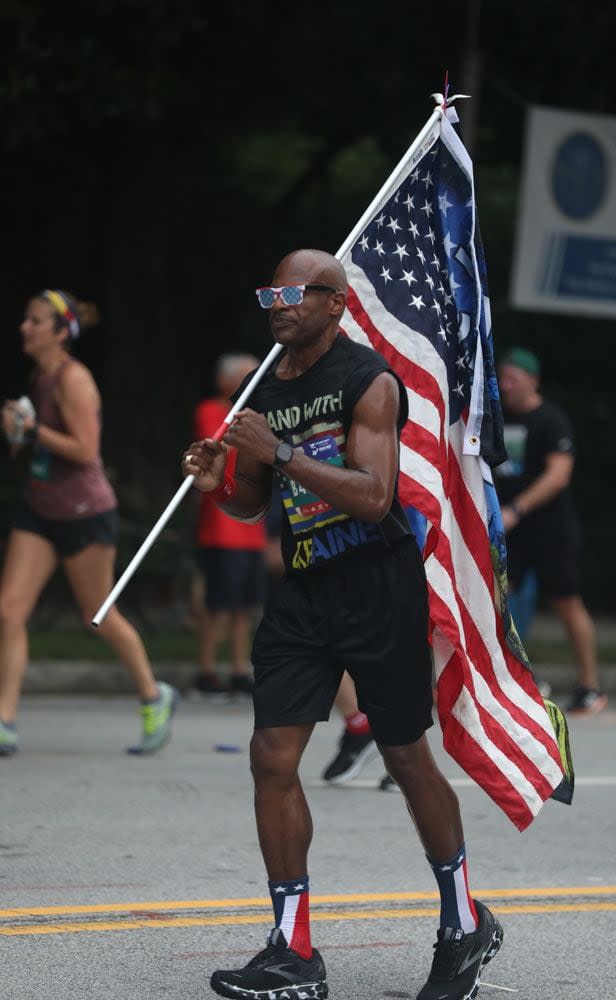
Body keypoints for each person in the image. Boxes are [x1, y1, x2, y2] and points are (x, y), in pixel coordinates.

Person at [182, 249, 503, 1000]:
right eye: (271, 292)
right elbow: (250, 502)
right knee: (270, 756)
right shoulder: (264, 384)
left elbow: (372, 494)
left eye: (296, 293)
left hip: (376, 592)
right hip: (302, 598)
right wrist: (217, 480)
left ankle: (463, 921)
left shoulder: (369, 381)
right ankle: (292, 951)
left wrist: (281, 450)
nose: (279, 305)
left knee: (405, 757)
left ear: (335, 304)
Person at [0, 289, 177, 757]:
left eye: (35, 321)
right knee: (8, 610)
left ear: (60, 332)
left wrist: (33, 429)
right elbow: (41, 446)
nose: (25, 327)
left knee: (98, 615)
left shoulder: (74, 379)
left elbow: (84, 450)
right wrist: (19, 433)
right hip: (40, 508)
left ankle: (154, 697)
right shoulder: (41, 375)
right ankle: (5, 721)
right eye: (26, 320)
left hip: (84, 512)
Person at [494, 346, 606, 715]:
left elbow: (559, 475)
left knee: (566, 603)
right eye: (503, 378)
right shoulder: (495, 417)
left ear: (533, 381)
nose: (507, 385)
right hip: (508, 529)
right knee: (496, 602)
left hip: (549, 529)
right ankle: (511, 679)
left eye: (514, 378)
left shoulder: (550, 420)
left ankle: (590, 687)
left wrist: (517, 508)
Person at [321, 504, 429, 792]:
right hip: (338, 535)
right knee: (323, 636)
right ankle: (360, 726)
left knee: (394, 650)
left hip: (395, 534)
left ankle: (407, 751)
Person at [190, 352, 267, 697]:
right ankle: (206, 669)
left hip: (251, 529)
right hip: (221, 529)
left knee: (244, 606)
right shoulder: (210, 410)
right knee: (218, 603)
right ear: (225, 382)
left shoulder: (256, 416)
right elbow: (218, 448)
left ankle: (239, 669)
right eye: (244, 376)